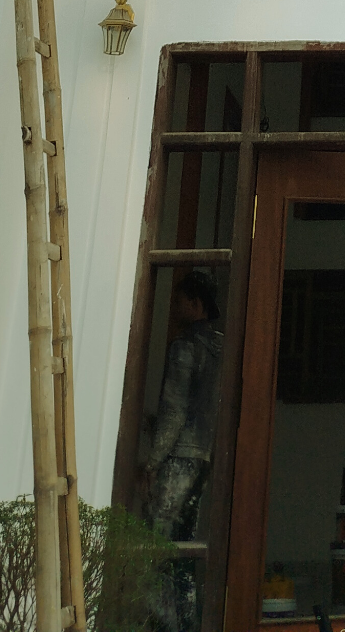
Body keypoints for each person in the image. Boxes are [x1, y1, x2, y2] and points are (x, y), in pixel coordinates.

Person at [144, 270, 223, 632]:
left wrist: (152, 461)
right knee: (186, 546)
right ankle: (188, 623)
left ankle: (163, 624)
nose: (176, 308)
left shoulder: (186, 345)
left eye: (180, 301)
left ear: (195, 302)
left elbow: (175, 409)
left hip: (179, 456)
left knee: (158, 544)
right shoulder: (222, 347)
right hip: (206, 454)